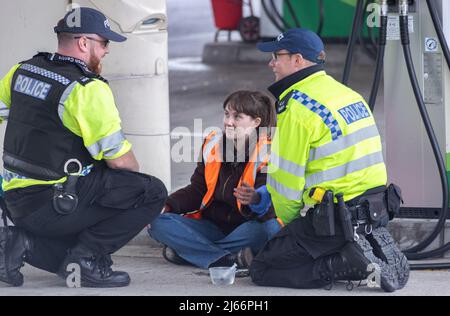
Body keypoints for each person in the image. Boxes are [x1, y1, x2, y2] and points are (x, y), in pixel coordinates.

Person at [0, 7, 167, 288]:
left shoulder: (23, 70)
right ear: (83, 43)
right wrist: (129, 182)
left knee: (69, 258)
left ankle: (20, 243)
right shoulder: (87, 89)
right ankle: (88, 259)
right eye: (104, 43)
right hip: (55, 204)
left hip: (17, 203)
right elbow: (121, 163)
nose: (106, 51)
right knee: (150, 192)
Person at [249, 28, 409, 292]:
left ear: (298, 60)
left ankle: (343, 262)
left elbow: (285, 182)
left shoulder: (297, 107)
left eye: (277, 56)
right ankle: (358, 243)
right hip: (375, 208)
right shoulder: (347, 95)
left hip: (330, 219)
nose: (271, 63)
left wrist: (290, 228)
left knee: (263, 268)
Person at [148, 90, 282, 269]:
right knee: (157, 222)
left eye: (237, 117)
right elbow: (197, 190)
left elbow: (273, 207)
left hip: (245, 229)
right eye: (226, 114)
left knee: (267, 230)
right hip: (211, 227)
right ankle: (228, 259)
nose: (228, 122)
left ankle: (193, 253)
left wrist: (255, 199)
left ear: (256, 122)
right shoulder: (213, 144)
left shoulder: (269, 151)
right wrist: (167, 205)